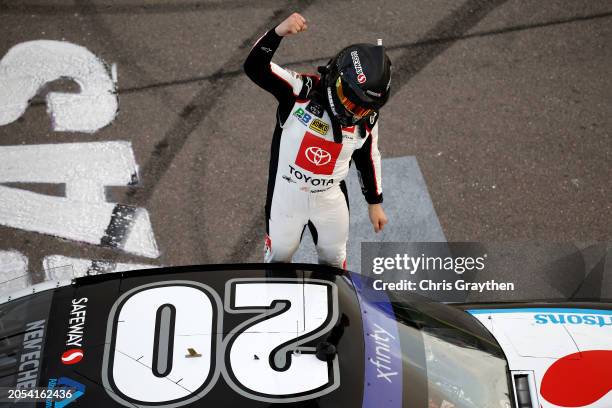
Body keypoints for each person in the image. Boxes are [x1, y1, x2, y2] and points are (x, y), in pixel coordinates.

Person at [244, 12, 392, 268]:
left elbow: (368, 156)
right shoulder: (300, 91)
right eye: (350, 102)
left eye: (364, 109)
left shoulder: (367, 119)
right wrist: (277, 32)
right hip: (286, 197)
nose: (355, 113)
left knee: (335, 262)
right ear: (336, 79)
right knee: (278, 260)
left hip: (330, 200)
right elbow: (254, 67)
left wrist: (374, 203)